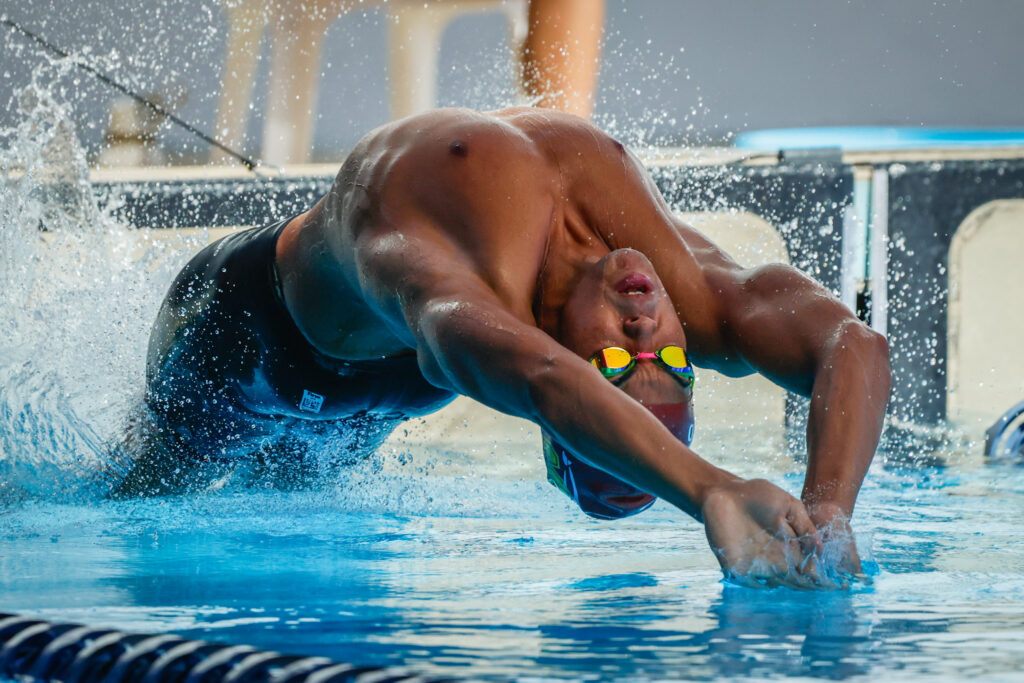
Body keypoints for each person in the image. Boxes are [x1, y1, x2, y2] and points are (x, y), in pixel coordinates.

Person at [128, 107, 891, 586]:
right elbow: (850, 342)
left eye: (622, 368)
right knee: (143, 489)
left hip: (323, 368)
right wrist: (763, 498)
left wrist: (801, 513)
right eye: (673, 364)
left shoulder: (479, 324)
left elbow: (541, 378)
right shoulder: (673, 294)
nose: (647, 333)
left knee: (273, 544)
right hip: (241, 339)